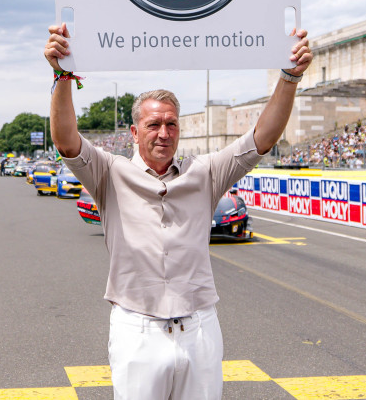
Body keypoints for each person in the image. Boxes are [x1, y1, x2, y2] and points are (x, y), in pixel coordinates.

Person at [45, 22, 311, 399]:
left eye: (171, 124)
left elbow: (262, 138)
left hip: (199, 330)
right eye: (153, 124)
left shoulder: (204, 173)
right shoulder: (110, 172)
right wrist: (62, 74)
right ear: (135, 133)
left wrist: (289, 77)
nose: (164, 133)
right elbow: (65, 139)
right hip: (137, 332)